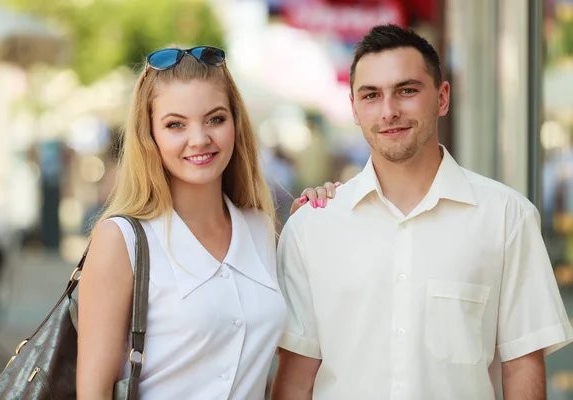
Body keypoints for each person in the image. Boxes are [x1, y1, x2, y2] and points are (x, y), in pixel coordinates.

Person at [272, 24, 573, 400]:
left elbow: (522, 367)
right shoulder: (312, 227)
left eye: (407, 90)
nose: (389, 111)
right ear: (354, 108)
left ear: (442, 97)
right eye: (371, 95)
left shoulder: (507, 217)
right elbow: (297, 377)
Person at [76, 45, 337, 399]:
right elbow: (93, 393)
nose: (199, 139)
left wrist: (328, 217)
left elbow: (290, 344)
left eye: (215, 119)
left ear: (235, 123)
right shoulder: (121, 240)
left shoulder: (261, 230)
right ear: (149, 134)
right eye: (175, 124)